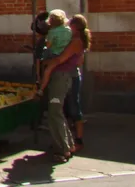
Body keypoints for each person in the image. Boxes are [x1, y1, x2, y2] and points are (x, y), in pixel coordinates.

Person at [38, 14, 91, 159]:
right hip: (63, 76)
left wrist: (47, 63)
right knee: (58, 112)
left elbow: (61, 59)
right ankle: (69, 144)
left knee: (55, 112)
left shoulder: (75, 41)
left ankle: (63, 149)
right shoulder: (73, 40)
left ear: (74, 27)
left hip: (61, 76)